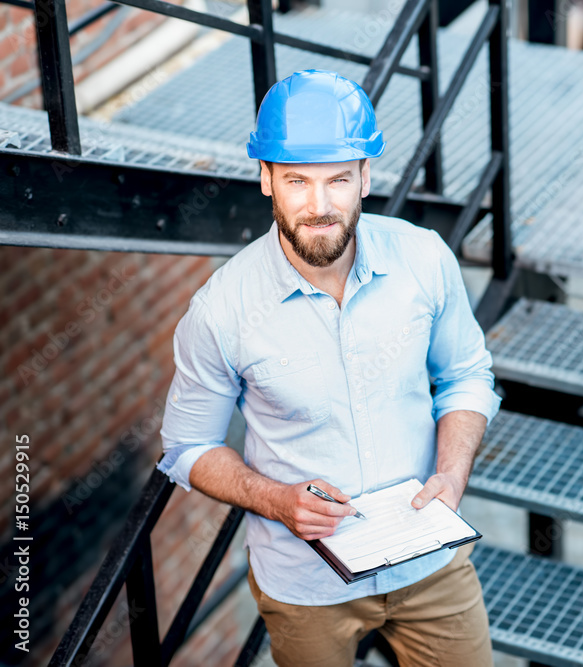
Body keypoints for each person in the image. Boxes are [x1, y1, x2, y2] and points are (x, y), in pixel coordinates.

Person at [157, 69, 500, 667]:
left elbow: (467, 374)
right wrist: (274, 500)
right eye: (297, 181)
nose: (319, 206)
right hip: (306, 588)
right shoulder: (220, 310)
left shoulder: (423, 258)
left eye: (339, 180)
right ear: (266, 179)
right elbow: (188, 447)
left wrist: (451, 474)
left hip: (430, 563)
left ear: (366, 177)